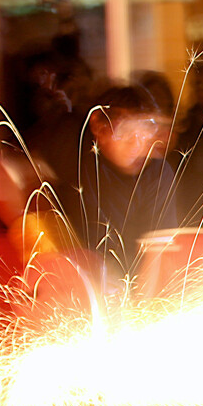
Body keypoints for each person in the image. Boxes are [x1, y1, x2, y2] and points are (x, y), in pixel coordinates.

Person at [33, 81, 178, 285]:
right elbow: (8, 175)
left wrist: (139, 308)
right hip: (66, 286)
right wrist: (49, 247)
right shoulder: (71, 150)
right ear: (98, 127)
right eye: (126, 131)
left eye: (145, 131)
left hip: (129, 287)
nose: (137, 144)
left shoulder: (158, 174)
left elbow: (155, 254)